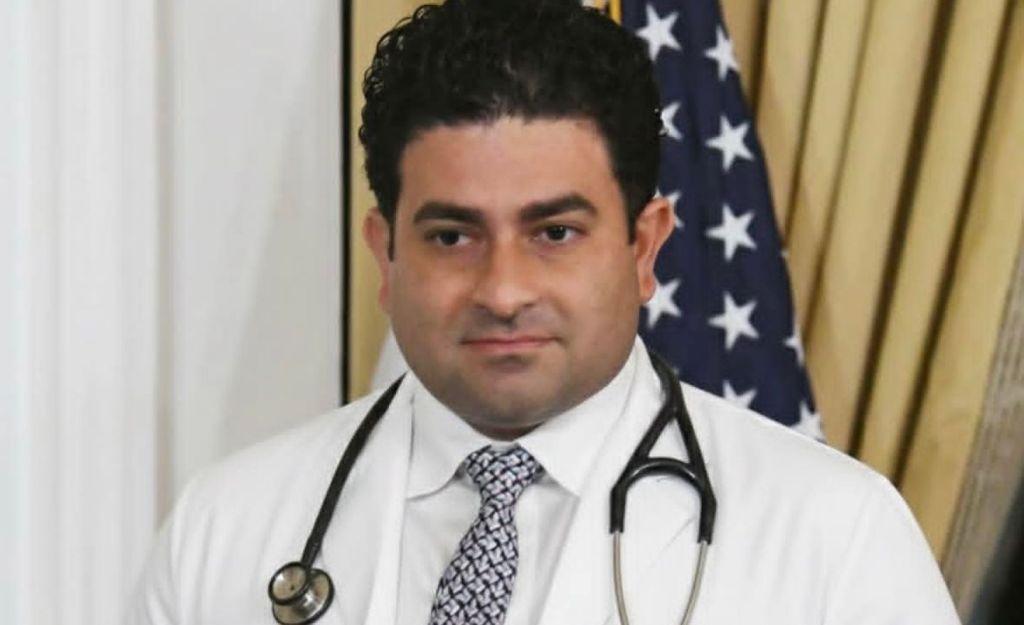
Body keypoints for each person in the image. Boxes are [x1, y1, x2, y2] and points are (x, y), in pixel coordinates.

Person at [130, 0, 962, 623]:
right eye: (452, 236)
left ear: (644, 247)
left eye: (555, 232)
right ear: (386, 256)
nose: (503, 291)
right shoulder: (225, 526)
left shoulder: (836, 535)